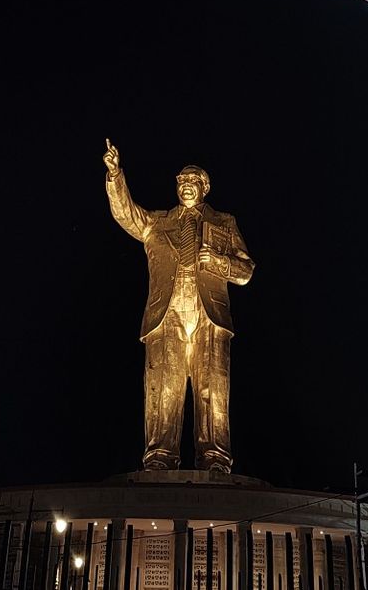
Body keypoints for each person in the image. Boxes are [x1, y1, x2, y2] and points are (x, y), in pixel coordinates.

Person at [103, 138, 255, 473]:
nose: (186, 186)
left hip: (209, 313)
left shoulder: (224, 223)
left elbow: (246, 271)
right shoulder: (156, 222)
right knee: (163, 388)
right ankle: (159, 456)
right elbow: (125, 213)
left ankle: (215, 458)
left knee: (212, 388)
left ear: (206, 187)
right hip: (165, 312)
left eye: (193, 182)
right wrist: (115, 175)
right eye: (181, 181)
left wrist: (216, 261)